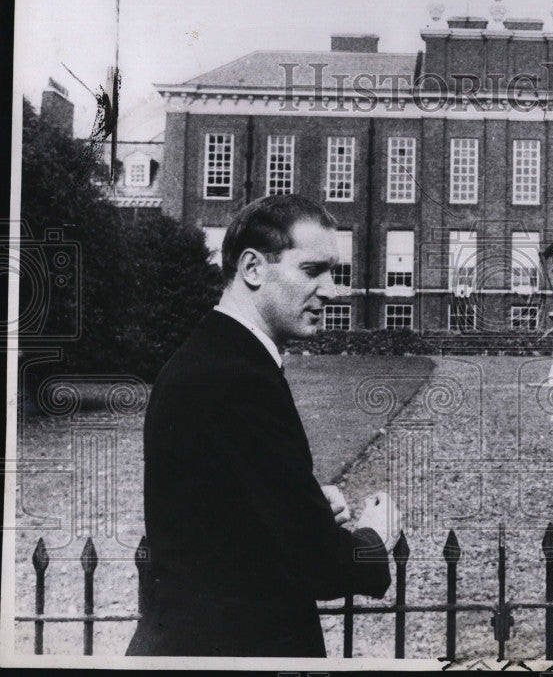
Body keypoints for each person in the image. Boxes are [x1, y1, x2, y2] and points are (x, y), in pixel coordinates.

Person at [126, 195, 399, 657]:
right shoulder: (241, 379)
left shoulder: (213, 356)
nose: (331, 290)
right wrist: (374, 536)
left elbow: (230, 514)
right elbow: (320, 567)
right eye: (311, 271)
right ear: (253, 268)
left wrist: (307, 505)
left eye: (332, 272)